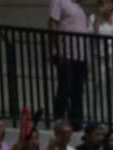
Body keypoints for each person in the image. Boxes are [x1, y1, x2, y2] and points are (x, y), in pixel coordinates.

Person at [49, 0, 89, 130]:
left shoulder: (79, 7)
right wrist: (56, 47)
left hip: (80, 55)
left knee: (78, 89)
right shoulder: (59, 1)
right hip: (66, 53)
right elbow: (53, 23)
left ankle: (76, 119)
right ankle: (59, 116)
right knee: (65, 85)